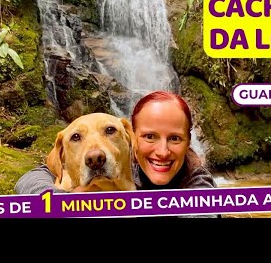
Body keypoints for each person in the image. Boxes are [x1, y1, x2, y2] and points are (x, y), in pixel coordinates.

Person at [15, 90, 219, 218]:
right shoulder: (130, 161)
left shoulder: (195, 179)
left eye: (175, 138)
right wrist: (60, 203)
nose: (162, 151)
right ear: (134, 139)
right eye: (149, 136)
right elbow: (30, 178)